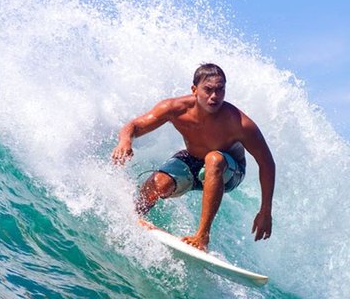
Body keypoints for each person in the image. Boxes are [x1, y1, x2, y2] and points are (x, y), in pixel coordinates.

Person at [111, 63, 275, 251]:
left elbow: (267, 163)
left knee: (214, 159)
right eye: (208, 90)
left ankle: (202, 236)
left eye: (220, 90)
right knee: (158, 183)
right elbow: (135, 125)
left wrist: (265, 211)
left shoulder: (239, 123)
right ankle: (132, 218)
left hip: (229, 170)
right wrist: (125, 141)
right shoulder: (175, 109)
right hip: (193, 158)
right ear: (194, 89)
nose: (215, 96)